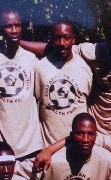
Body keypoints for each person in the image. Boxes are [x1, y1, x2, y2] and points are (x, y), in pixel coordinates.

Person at [21, 14, 111, 135]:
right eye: (110, 35)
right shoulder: (93, 51)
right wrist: (17, 42)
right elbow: (54, 47)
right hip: (96, 128)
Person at [0, 9, 42, 180]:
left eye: (17, 25)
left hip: (30, 142)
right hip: (3, 141)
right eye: (8, 26)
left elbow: (50, 52)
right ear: (0, 29)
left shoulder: (31, 58)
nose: (14, 30)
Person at [34, 20, 92, 148]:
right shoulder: (40, 67)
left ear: (73, 40)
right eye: (57, 38)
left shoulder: (84, 68)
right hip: (49, 146)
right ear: (51, 40)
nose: (62, 43)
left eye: (66, 38)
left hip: (78, 145)